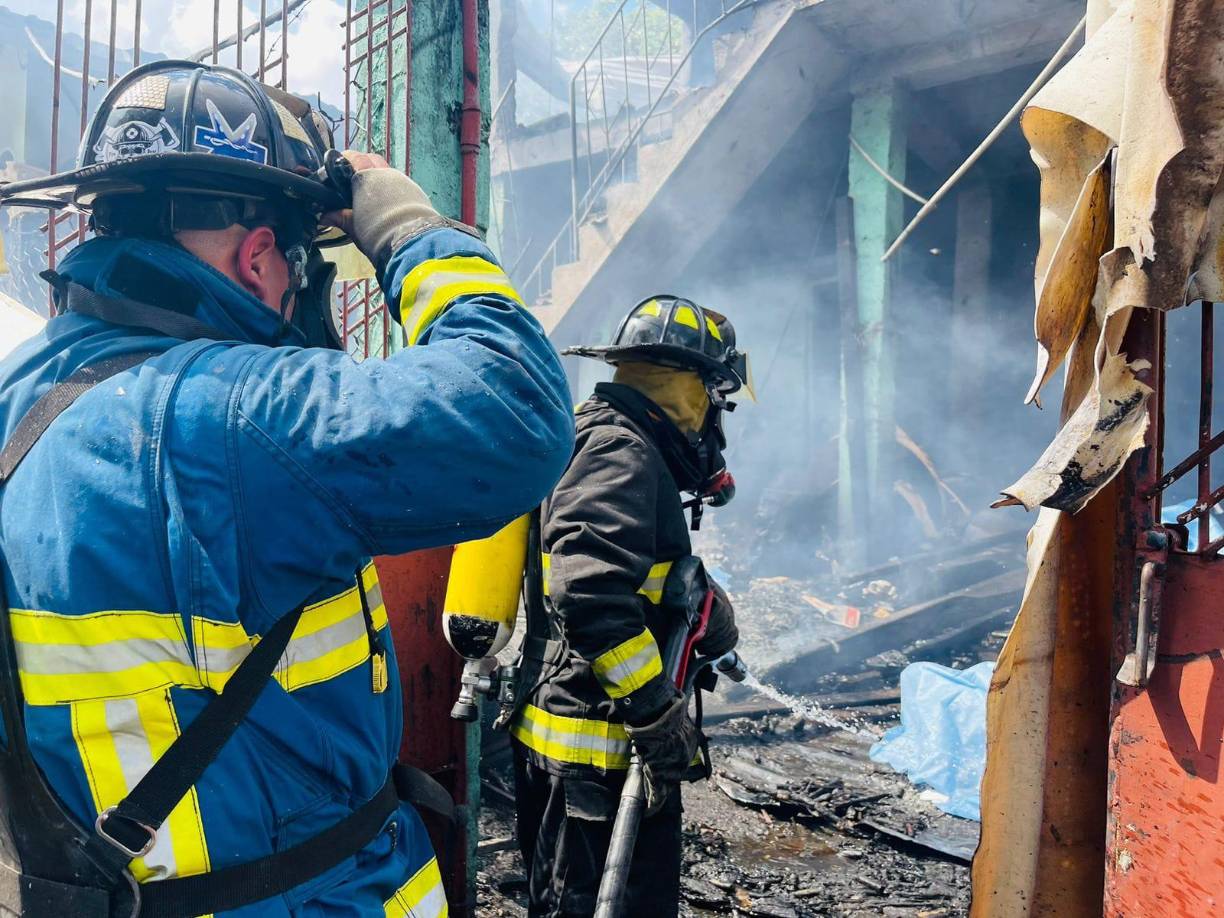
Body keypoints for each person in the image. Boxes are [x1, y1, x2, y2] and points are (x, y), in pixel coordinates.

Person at [0, 60, 574, 916]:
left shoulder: (24, 393)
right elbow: (517, 410)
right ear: (263, 256)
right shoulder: (233, 416)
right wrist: (413, 230)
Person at [509, 295, 750, 917]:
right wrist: (653, 711)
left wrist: (700, 602)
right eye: (714, 399)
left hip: (596, 745)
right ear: (690, 387)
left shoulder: (609, 438)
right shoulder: (622, 450)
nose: (712, 422)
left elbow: (632, 573)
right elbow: (588, 590)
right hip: (596, 748)